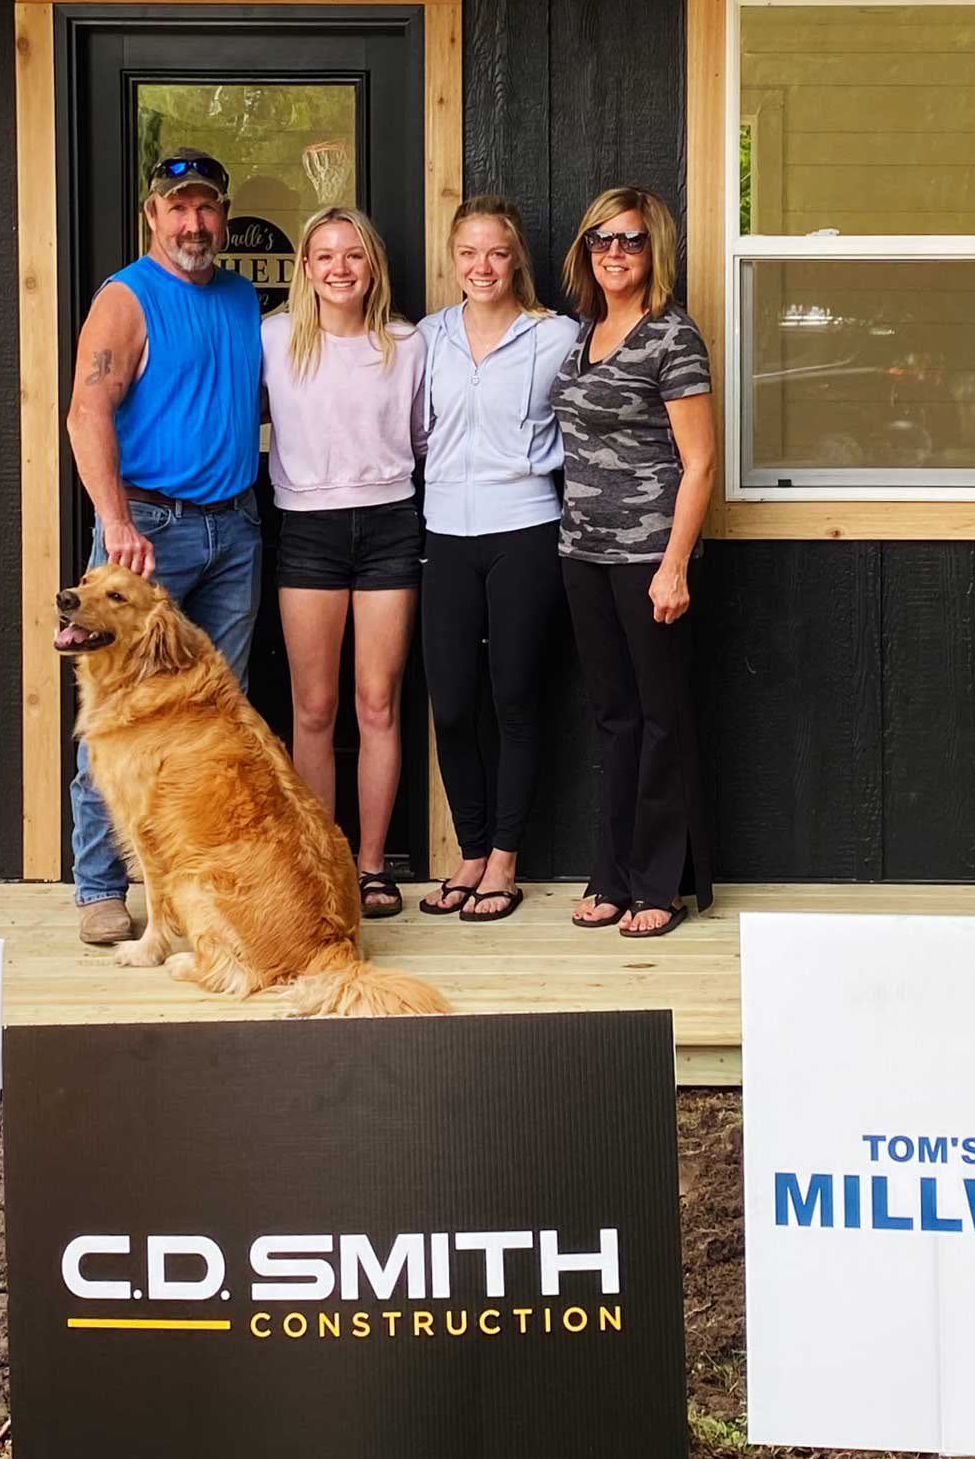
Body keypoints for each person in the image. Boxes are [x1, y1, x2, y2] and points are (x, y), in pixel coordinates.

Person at [61, 146, 263, 946]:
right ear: (153, 215)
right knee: (117, 710)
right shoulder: (128, 297)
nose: (194, 222)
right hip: (149, 534)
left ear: (223, 214)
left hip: (236, 528)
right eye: (178, 207)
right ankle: (98, 887)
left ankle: (191, 883)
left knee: (216, 718)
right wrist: (116, 523)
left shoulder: (243, 297)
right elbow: (86, 412)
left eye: (207, 206)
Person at [552, 184, 716, 940]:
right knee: (614, 719)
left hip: (649, 553)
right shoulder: (586, 330)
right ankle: (612, 875)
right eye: (600, 240)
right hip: (581, 551)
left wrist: (674, 564)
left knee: (660, 721)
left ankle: (660, 882)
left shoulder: (671, 336)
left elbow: (701, 462)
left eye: (630, 240)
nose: (614, 253)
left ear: (655, 250)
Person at [414, 194, 580, 925]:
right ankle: (470, 849)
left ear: (517, 260)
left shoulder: (558, 337)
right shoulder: (426, 338)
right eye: (469, 253)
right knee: (452, 703)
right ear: (454, 262)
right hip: (445, 529)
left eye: (497, 252)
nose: (483, 266)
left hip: (525, 527)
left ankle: (504, 860)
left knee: (514, 697)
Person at [261, 207, 425, 918]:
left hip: (390, 523)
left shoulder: (407, 344)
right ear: (304, 269)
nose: (339, 268)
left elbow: (422, 433)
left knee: (377, 702)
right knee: (315, 706)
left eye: (353, 255)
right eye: (324, 256)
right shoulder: (271, 340)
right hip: (307, 529)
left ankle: (369, 868)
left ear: (373, 267)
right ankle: (320, 861)